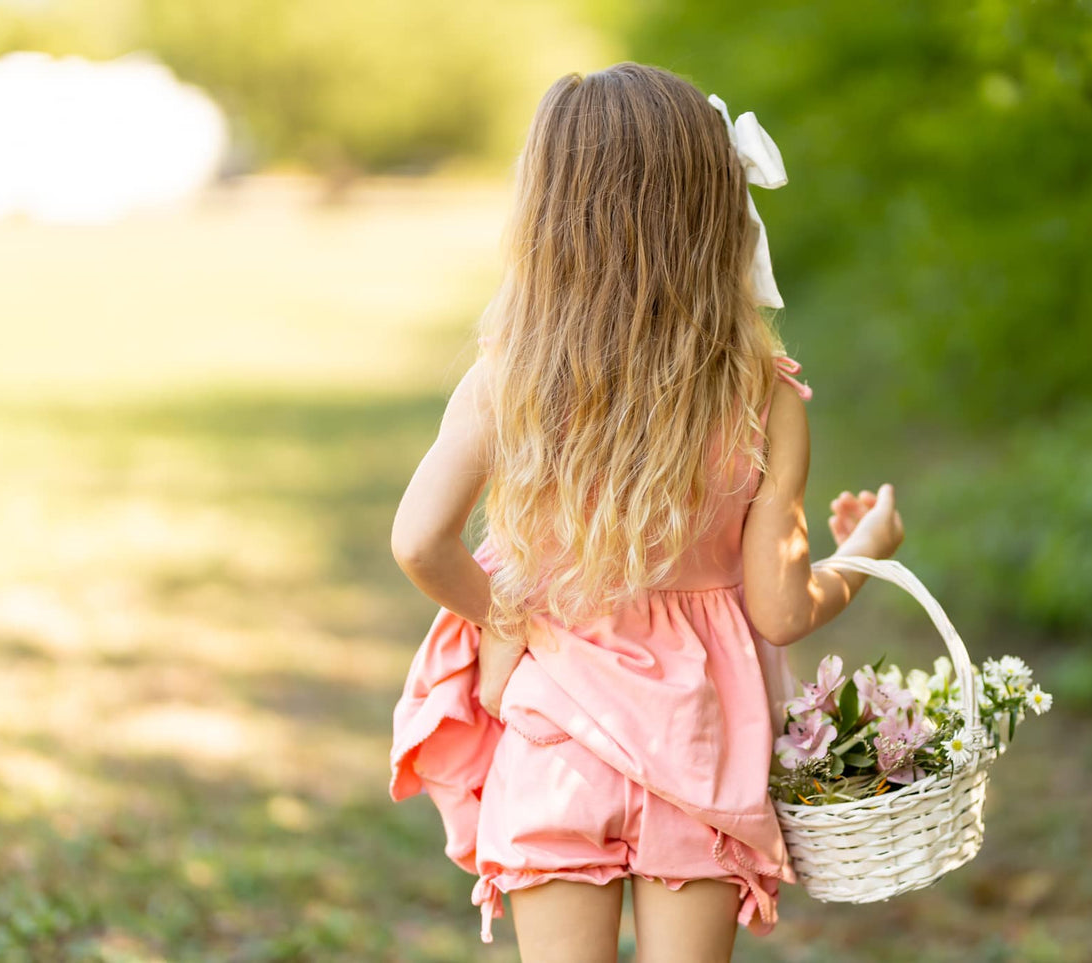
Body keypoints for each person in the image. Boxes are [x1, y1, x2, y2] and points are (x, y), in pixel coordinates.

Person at [387, 61, 904, 963]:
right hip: (700, 742)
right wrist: (861, 549)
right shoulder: (761, 395)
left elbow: (419, 540)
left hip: (554, 728)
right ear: (715, 213)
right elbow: (781, 611)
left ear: (550, 212)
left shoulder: (508, 379)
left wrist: (505, 615)